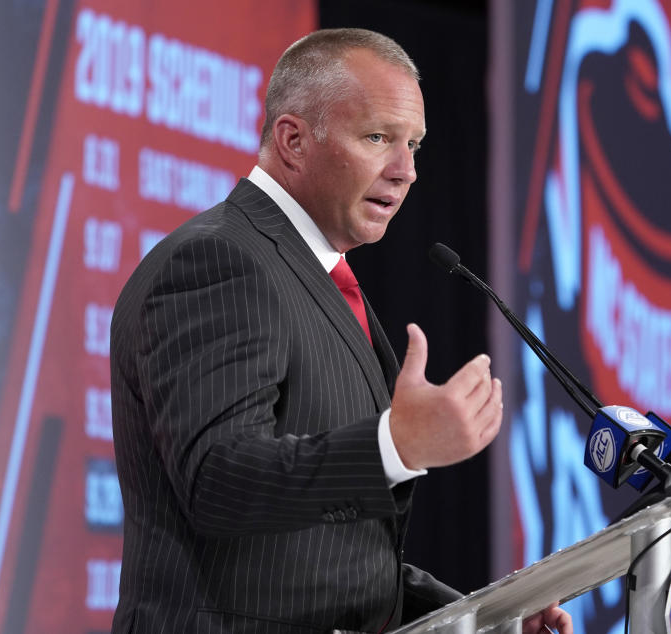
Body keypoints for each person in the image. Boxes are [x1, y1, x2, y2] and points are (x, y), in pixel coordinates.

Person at [109, 28, 572, 634]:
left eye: (414, 145)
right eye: (378, 137)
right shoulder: (222, 260)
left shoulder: (314, 274)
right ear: (294, 140)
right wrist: (394, 448)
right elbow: (217, 482)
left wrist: (486, 617)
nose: (406, 171)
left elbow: (326, 556)